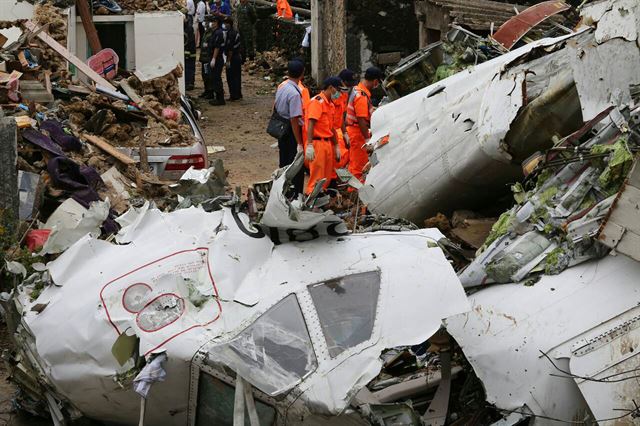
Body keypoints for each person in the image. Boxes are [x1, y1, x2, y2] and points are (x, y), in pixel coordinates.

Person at [305, 77, 342, 195]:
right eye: (338, 89)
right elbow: (311, 123)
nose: (339, 93)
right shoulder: (317, 101)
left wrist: (336, 145)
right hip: (317, 143)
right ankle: (311, 202)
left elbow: (331, 128)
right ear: (331, 88)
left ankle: (320, 202)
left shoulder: (330, 104)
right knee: (317, 177)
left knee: (325, 178)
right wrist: (309, 145)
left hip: (327, 144)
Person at [346, 66, 383, 181]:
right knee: (360, 166)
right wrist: (367, 140)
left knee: (355, 163)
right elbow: (361, 119)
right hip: (358, 133)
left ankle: (353, 192)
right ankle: (356, 193)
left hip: (355, 131)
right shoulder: (361, 96)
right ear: (375, 81)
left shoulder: (357, 90)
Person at [274, 60, 305, 195]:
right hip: (291, 132)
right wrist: (299, 142)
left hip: (281, 128)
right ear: (302, 74)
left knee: (284, 162)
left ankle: (282, 190)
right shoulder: (295, 94)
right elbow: (294, 119)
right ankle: (294, 193)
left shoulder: (282, 87)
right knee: (295, 165)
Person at [332, 68, 357, 173]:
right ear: (342, 82)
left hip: (338, 129)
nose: (350, 87)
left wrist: (345, 132)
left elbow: (341, 115)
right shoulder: (333, 94)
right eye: (348, 84)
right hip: (330, 131)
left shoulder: (344, 94)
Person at [209, 17, 227, 106]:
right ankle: (218, 97)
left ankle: (220, 99)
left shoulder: (218, 33)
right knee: (214, 78)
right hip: (215, 57)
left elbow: (217, 47)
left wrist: (214, 58)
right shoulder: (215, 32)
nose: (212, 23)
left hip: (217, 58)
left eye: (214, 21)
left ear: (218, 23)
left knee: (216, 78)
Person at [225, 17, 242, 101]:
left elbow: (230, 49)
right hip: (237, 57)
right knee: (237, 76)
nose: (225, 25)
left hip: (233, 58)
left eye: (226, 23)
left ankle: (234, 95)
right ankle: (238, 94)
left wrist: (228, 61)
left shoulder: (231, 34)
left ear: (230, 24)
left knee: (231, 77)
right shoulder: (235, 32)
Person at [198, 19, 215, 99]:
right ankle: (206, 90)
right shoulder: (206, 32)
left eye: (207, 22)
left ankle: (210, 92)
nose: (205, 24)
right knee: (204, 75)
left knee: (208, 75)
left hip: (208, 58)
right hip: (204, 58)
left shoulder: (211, 33)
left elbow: (210, 46)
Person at [184, 14, 197, 91]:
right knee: (188, 68)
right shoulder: (185, 28)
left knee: (189, 68)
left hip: (190, 53)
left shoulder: (189, 29)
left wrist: (187, 53)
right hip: (187, 53)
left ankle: (190, 83)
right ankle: (189, 83)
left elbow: (189, 42)